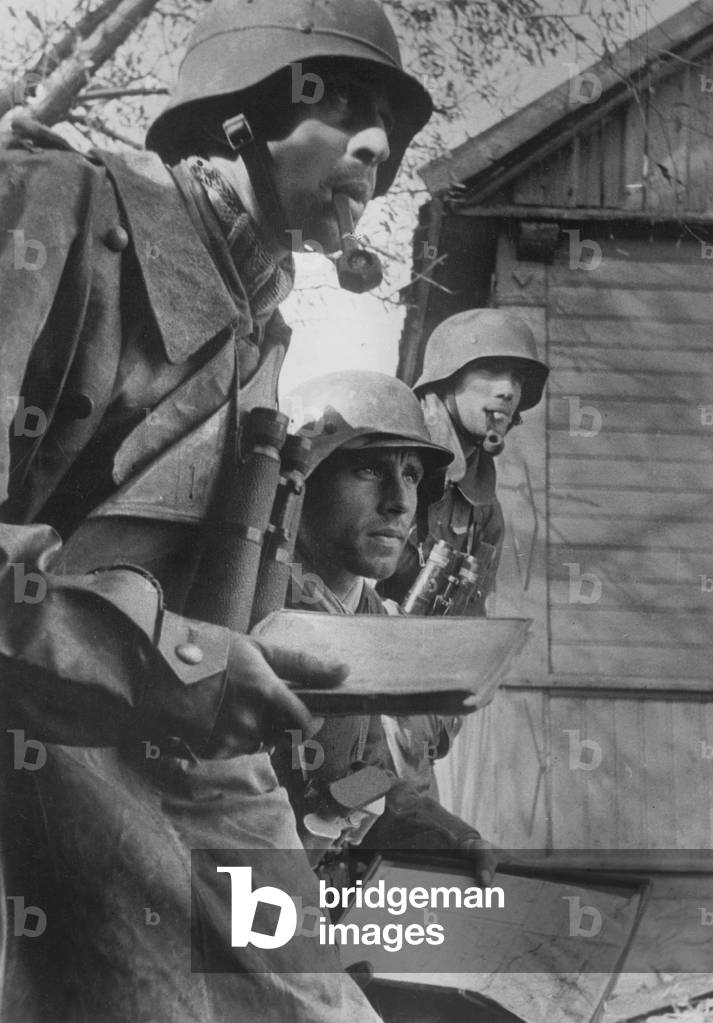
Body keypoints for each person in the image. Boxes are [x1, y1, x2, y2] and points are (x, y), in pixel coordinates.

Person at [0, 1, 432, 1020]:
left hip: (166, 756)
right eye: (344, 105)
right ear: (233, 117)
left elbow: (205, 626)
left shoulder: (257, 327)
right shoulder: (48, 209)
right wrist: (178, 665)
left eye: (389, 123)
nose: (377, 143)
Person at [273, 370, 495, 883]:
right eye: (370, 469)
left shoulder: (368, 615)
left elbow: (367, 776)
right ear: (303, 479)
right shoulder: (251, 601)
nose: (399, 500)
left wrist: (453, 840)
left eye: (412, 475)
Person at [379, 309, 549, 798]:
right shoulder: (383, 454)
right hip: (333, 699)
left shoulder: (483, 512)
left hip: (410, 722)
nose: (507, 389)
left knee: (423, 850)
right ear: (449, 375)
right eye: (491, 371)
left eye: (517, 379)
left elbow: (468, 633)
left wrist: (432, 726)